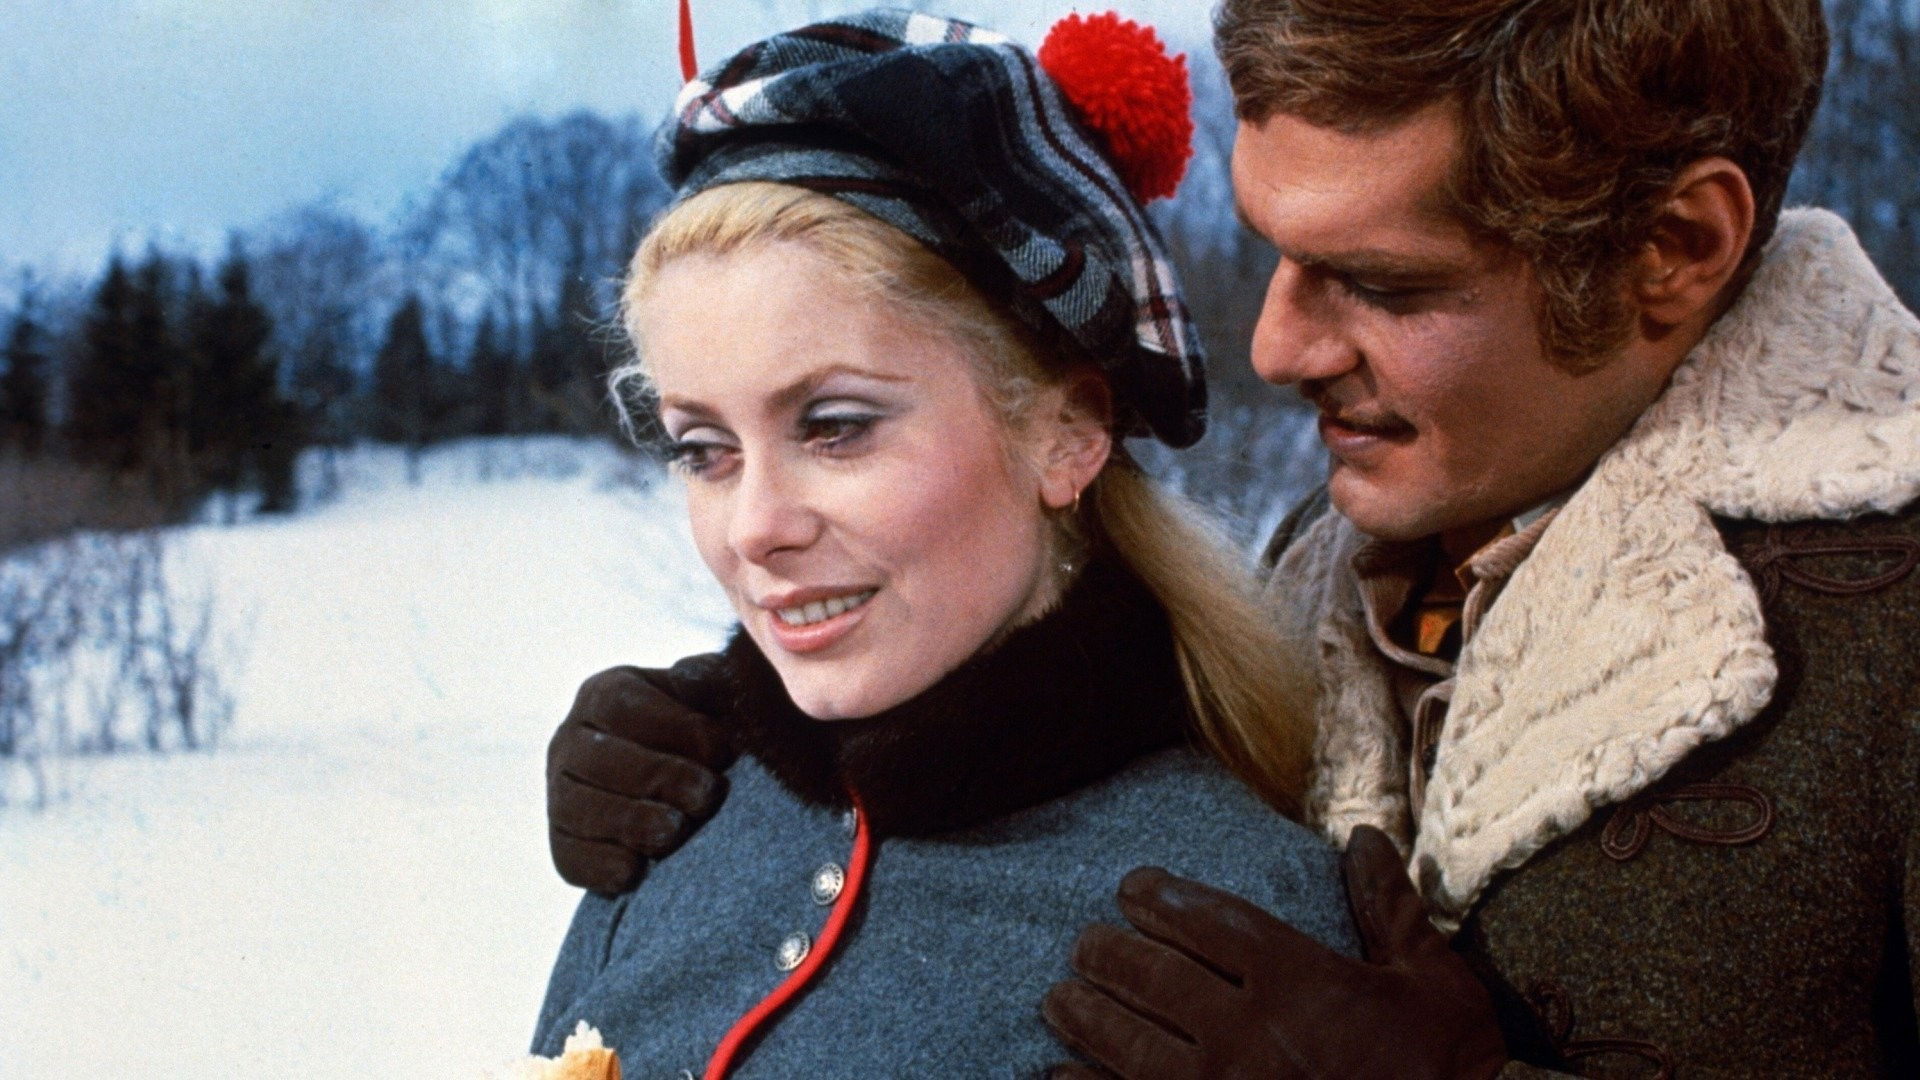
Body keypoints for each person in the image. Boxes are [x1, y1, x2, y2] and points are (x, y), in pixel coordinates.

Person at [553, 0, 1920, 1075]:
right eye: (1275, 250)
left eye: (1381, 281)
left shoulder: (1889, 650)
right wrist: (768, 730)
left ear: (1674, 246)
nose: (1273, 345)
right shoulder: (1335, 558)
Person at [531, 10, 1360, 1077]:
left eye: (836, 428)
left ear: (1067, 434)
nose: (755, 528)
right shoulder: (667, 814)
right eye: (704, 449)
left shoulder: (1229, 946)